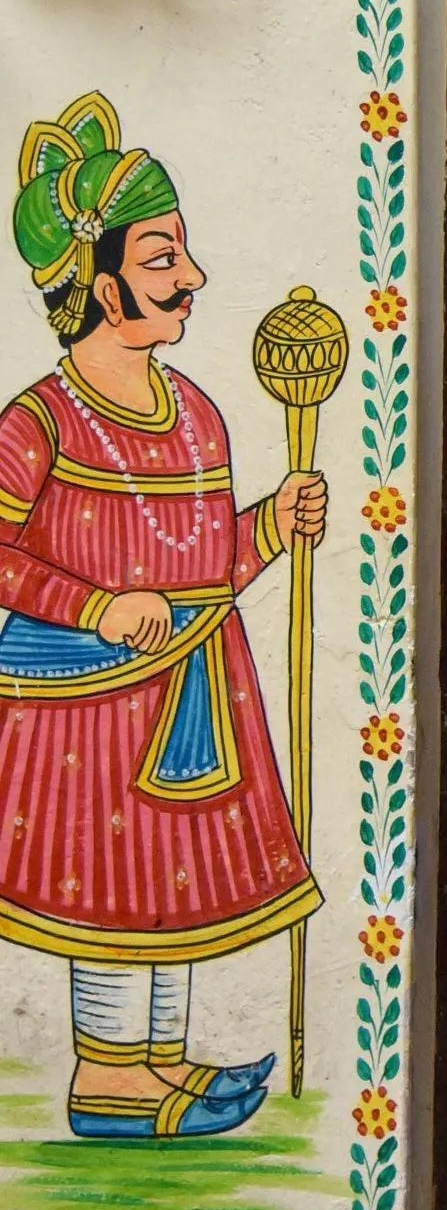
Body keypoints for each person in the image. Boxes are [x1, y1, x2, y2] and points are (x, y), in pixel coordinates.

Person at [0, 93, 326, 1138]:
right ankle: (108, 1080)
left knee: (178, 886)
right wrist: (96, 602)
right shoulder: (38, 424)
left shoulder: (195, 413)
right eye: (159, 258)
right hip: (85, 706)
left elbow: (204, 563)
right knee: (108, 886)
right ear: (97, 288)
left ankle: (162, 1065)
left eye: (180, 254)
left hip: (195, 692)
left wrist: (272, 523)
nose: (191, 278)